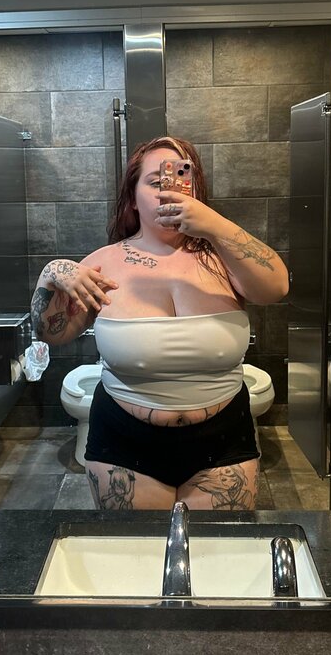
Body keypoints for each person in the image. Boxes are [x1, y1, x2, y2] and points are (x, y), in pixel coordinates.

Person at [30, 137, 289, 511]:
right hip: (123, 444)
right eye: (155, 182)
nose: (169, 193)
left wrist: (214, 225)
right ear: (133, 198)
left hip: (223, 441)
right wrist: (50, 274)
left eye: (182, 181)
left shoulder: (225, 259)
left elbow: (277, 287)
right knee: (137, 547)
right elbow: (52, 333)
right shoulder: (103, 264)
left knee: (216, 547)